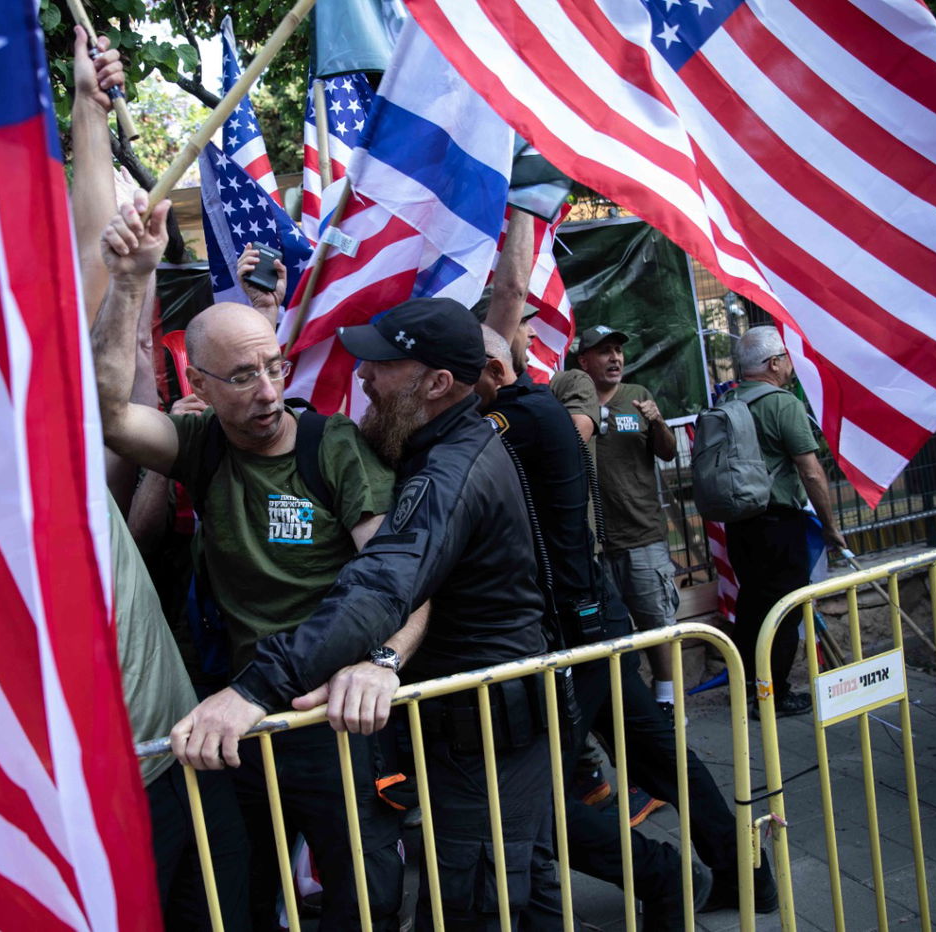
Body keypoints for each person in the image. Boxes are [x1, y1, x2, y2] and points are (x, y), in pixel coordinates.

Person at [172, 296, 567, 930]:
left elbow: (382, 586)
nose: (362, 378)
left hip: (484, 733)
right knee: (520, 885)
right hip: (468, 726)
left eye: (382, 366)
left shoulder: (450, 470)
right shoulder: (433, 447)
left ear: (436, 383)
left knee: (482, 899)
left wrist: (255, 688)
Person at [90, 189, 408, 929]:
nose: (268, 392)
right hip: (239, 724)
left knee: (368, 900)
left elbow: (405, 580)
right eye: (241, 377)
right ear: (197, 386)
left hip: (334, 723)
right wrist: (134, 277)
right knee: (243, 895)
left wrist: (382, 661)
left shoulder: (335, 450)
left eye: (274, 366)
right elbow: (107, 413)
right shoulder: (199, 447)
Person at [474, 328, 778, 925]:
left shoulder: (542, 404)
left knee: (530, 790)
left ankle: (665, 875)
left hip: (575, 630)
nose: (535, 340)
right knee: (658, 756)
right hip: (588, 617)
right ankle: (747, 876)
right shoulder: (524, 407)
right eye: (527, 333)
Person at [68, 36, 251, 928]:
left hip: (174, 753)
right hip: (83, 795)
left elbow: (102, 262)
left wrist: (90, 112)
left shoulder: (58, 449)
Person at [722, 327, 846, 715]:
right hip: (778, 522)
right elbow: (811, 472)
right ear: (774, 363)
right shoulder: (783, 404)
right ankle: (773, 695)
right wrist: (829, 526)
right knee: (786, 609)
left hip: (740, 522)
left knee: (753, 605)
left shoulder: (728, 401)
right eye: (787, 357)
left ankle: (747, 689)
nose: (791, 364)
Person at [576, 325, 684, 715]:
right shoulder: (573, 403)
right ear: (583, 361)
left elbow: (668, 454)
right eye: (604, 352)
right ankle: (629, 709)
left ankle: (668, 701)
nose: (615, 358)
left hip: (643, 536)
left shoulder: (638, 397)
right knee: (611, 633)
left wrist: (656, 421)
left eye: (618, 351)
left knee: (657, 624)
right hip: (595, 544)